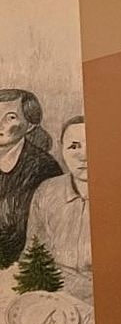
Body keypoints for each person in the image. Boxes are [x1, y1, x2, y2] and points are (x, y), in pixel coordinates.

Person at [25, 116, 91, 302]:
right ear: (62, 149)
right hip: (52, 294)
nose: (84, 155)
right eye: (74, 146)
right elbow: (32, 252)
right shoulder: (47, 191)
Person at [0, 88, 63, 270]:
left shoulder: (44, 168)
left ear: (30, 125)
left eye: (10, 117)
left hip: (21, 269)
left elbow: (47, 233)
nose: (0, 123)